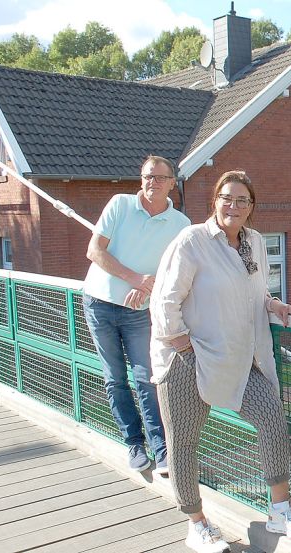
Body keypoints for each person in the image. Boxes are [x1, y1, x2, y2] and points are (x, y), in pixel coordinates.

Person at [149, 170, 291, 552]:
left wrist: (271, 304)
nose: (234, 206)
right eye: (227, 198)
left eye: (242, 200)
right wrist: (184, 347)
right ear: (215, 201)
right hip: (185, 357)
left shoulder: (255, 242)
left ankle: (281, 509)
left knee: (272, 417)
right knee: (185, 442)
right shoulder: (192, 241)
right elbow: (164, 300)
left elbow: (255, 290)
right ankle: (197, 524)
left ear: (252, 206)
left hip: (239, 357)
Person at [83, 155, 190, 475]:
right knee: (115, 378)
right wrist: (136, 280)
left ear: (173, 182)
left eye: (159, 178)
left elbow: (173, 273)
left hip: (139, 311)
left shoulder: (180, 225)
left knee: (147, 377)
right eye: (147, 176)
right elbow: (94, 251)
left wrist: (145, 289)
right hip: (99, 303)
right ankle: (133, 443)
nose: (152, 183)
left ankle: (162, 450)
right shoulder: (119, 204)